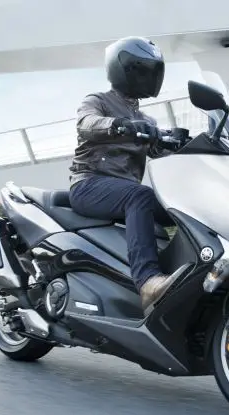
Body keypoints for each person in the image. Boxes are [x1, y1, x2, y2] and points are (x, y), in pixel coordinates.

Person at [68, 36, 189, 312]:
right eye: (143, 70)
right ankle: (147, 281)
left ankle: (192, 272)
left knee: (183, 206)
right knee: (141, 196)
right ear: (122, 70)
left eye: (152, 71)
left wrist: (185, 145)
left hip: (122, 193)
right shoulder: (97, 101)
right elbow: (86, 123)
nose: (149, 77)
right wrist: (118, 125)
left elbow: (160, 152)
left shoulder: (147, 121)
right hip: (89, 184)